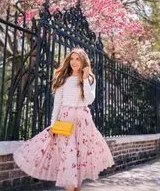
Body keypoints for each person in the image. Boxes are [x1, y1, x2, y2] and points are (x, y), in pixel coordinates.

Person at [14, 48, 114, 191]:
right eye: (72, 59)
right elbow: (57, 105)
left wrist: (85, 79)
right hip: (65, 122)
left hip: (83, 123)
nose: (74, 62)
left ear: (83, 61)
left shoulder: (90, 79)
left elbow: (89, 100)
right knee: (68, 159)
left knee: (78, 163)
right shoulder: (63, 79)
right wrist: (53, 125)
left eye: (77, 59)